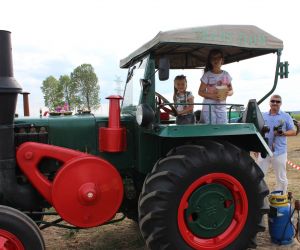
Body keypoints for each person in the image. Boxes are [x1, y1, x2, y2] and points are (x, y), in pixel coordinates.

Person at [257, 94, 296, 194]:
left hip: (279, 152)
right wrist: (257, 148)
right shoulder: (263, 116)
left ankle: (280, 198)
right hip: (264, 150)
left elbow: (293, 131)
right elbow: (258, 132)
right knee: (259, 176)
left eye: (277, 101)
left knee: (281, 177)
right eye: (273, 101)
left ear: (281, 104)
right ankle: (261, 196)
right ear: (269, 102)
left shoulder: (286, 116)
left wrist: (283, 133)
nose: (275, 103)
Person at [198, 49, 233, 124]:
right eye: (213, 58)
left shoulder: (226, 74)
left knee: (222, 129)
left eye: (218, 57)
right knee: (209, 129)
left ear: (222, 60)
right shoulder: (207, 75)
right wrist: (212, 96)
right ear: (210, 61)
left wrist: (227, 93)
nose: (216, 60)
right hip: (209, 108)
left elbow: (231, 91)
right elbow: (200, 92)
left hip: (221, 108)